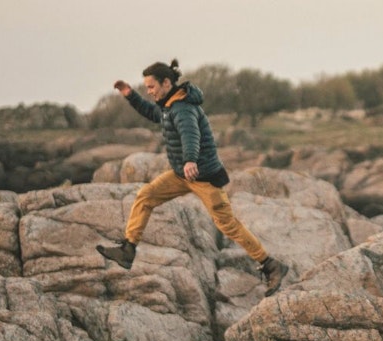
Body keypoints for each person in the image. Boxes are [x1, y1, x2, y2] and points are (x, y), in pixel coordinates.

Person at [96, 59, 288, 297]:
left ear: (166, 83)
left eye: (151, 86)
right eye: (146, 87)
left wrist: (190, 160)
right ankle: (128, 249)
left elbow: (190, 135)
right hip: (181, 175)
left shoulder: (183, 109)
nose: (149, 91)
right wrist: (129, 95)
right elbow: (152, 113)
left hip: (202, 176)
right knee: (145, 196)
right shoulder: (169, 105)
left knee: (227, 224)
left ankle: (271, 265)